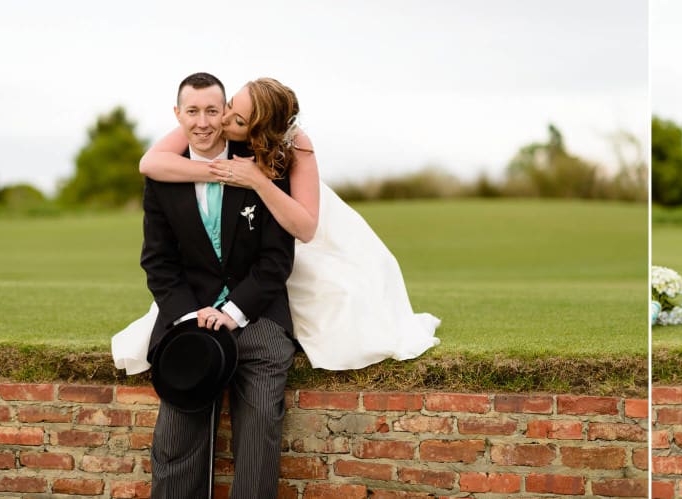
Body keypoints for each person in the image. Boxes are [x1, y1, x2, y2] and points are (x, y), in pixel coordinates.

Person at [112, 77, 439, 373]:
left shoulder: (297, 143)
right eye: (229, 107)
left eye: (236, 120)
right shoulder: (211, 116)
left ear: (256, 131)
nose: (221, 121)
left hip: (301, 226)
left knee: (342, 304)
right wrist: (224, 172)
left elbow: (306, 229)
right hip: (259, 229)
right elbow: (150, 163)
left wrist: (256, 180)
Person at [140, 72, 295, 498]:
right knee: (175, 441)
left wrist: (231, 312)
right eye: (192, 111)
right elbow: (158, 262)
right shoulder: (161, 178)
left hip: (258, 317)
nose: (203, 122)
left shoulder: (261, 163)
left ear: (226, 112)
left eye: (212, 110)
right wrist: (192, 319)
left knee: (260, 430)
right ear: (178, 114)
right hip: (189, 318)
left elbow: (276, 260)